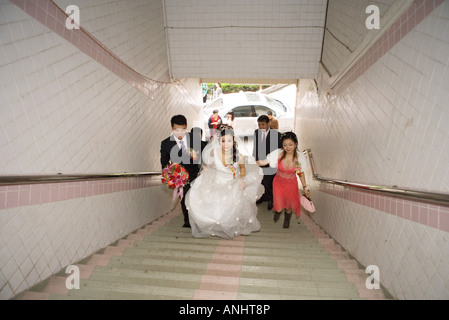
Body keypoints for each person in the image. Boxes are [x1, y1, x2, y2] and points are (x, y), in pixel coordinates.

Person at [185, 126, 264, 239]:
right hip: (217, 182)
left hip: (232, 183)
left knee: (230, 207)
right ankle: (216, 226)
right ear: (219, 141)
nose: (226, 144)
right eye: (223, 141)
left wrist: (242, 179)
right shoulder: (214, 153)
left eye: (229, 141)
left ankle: (228, 226)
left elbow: (242, 169)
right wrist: (205, 170)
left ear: (233, 141)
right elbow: (209, 164)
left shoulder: (239, 156)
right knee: (215, 206)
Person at [257, 132, 311, 228]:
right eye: (285, 145)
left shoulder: (298, 158)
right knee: (278, 205)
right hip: (278, 183)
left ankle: (287, 219)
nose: (288, 147)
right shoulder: (278, 154)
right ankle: (277, 212)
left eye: (290, 145)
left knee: (288, 207)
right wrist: (248, 161)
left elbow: (300, 173)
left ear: (295, 144)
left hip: (291, 184)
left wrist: (305, 187)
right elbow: (263, 162)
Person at [160, 115, 201, 228]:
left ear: (186, 127)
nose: (179, 133)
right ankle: (187, 222)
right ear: (172, 128)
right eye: (176, 130)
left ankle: (198, 221)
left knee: (196, 200)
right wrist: (169, 175)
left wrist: (196, 157)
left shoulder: (194, 139)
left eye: (182, 129)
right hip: (180, 178)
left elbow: (203, 157)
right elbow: (164, 163)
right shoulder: (166, 143)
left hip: (195, 175)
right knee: (184, 200)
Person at [252, 115, 282, 211]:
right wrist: (254, 158)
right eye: (259, 124)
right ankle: (263, 196)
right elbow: (255, 147)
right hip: (259, 161)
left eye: (263, 124)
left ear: (268, 124)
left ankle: (272, 199)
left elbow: (279, 150)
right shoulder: (256, 132)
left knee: (269, 182)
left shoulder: (276, 135)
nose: (261, 127)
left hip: (270, 163)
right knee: (261, 180)